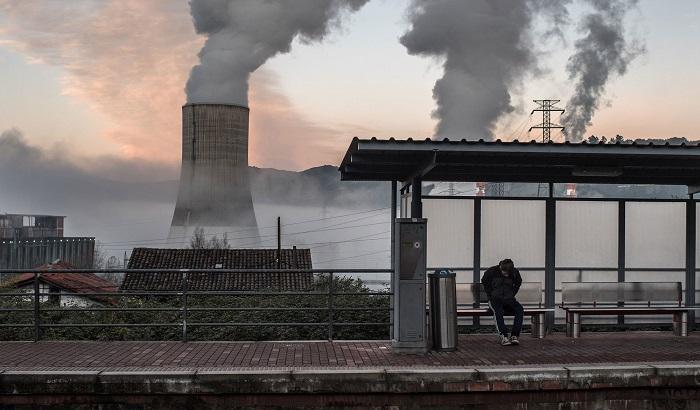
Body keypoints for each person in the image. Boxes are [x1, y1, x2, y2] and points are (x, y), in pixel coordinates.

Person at [481, 258, 524, 346]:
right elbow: (484, 281)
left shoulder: (514, 273)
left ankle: (514, 336)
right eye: (504, 271)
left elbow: (518, 282)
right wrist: (491, 294)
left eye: (507, 273)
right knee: (498, 312)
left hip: (509, 299)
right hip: (495, 300)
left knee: (519, 310)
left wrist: (512, 293)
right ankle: (503, 336)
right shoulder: (491, 271)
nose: (505, 274)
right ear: (500, 267)